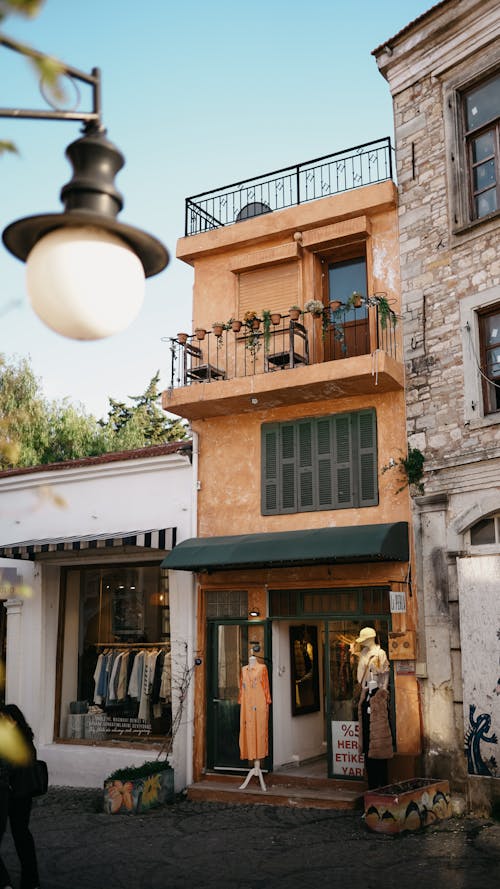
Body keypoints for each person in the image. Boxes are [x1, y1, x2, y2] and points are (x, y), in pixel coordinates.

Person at [0, 704, 40, 889]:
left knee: (21, 836)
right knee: (22, 835)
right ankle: (31, 881)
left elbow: (10, 767)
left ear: (14, 721)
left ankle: (8, 882)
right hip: (23, 794)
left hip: (12, 794)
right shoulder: (26, 739)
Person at [352, 627, 393, 790]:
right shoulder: (362, 654)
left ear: (371, 638)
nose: (363, 643)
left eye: (365, 640)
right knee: (368, 741)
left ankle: (380, 784)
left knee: (378, 741)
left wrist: (382, 694)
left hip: (377, 698)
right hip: (365, 694)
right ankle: (372, 784)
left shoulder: (380, 654)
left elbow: (385, 676)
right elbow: (360, 676)